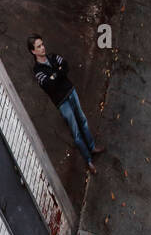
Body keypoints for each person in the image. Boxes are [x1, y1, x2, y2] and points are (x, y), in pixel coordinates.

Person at [28, 34, 103, 173]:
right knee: (76, 132)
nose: (42, 48)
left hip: (71, 91)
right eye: (39, 46)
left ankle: (92, 147)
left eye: (42, 44)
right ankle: (88, 160)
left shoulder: (52, 56)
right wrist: (58, 73)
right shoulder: (38, 71)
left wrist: (55, 75)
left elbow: (66, 66)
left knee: (83, 121)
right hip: (62, 102)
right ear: (33, 51)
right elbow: (48, 85)